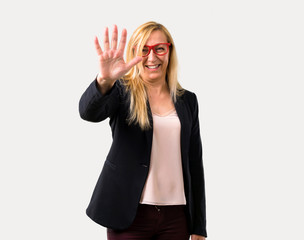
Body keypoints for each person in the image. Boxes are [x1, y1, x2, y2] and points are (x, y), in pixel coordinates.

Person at [79, 21, 207, 240]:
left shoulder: (188, 101)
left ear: (169, 51)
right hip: (129, 214)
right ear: (134, 54)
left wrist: (199, 226)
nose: (152, 57)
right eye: (144, 50)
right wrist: (105, 80)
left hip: (176, 217)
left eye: (159, 49)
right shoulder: (121, 91)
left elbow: (194, 162)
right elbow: (89, 112)